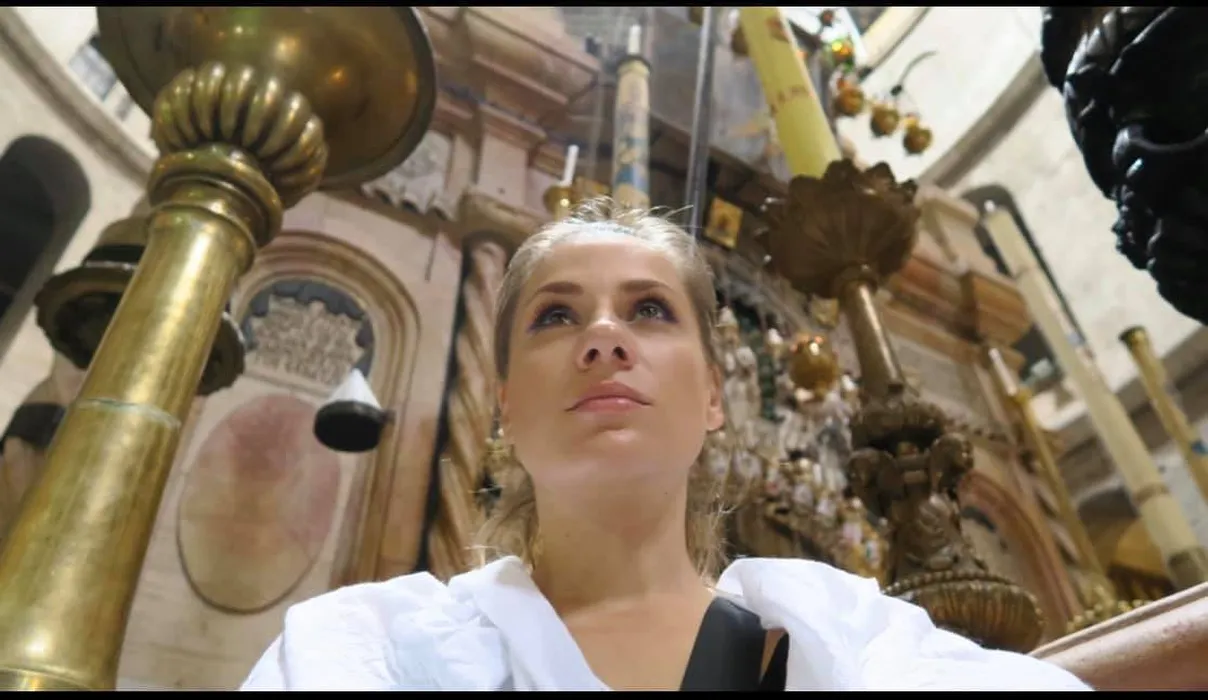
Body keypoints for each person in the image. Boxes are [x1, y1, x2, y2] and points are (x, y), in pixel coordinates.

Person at [241, 201, 1089, 691]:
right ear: (506, 407)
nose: (604, 337)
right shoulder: (372, 646)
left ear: (714, 395)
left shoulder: (848, 637)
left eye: (649, 310)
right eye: (556, 315)